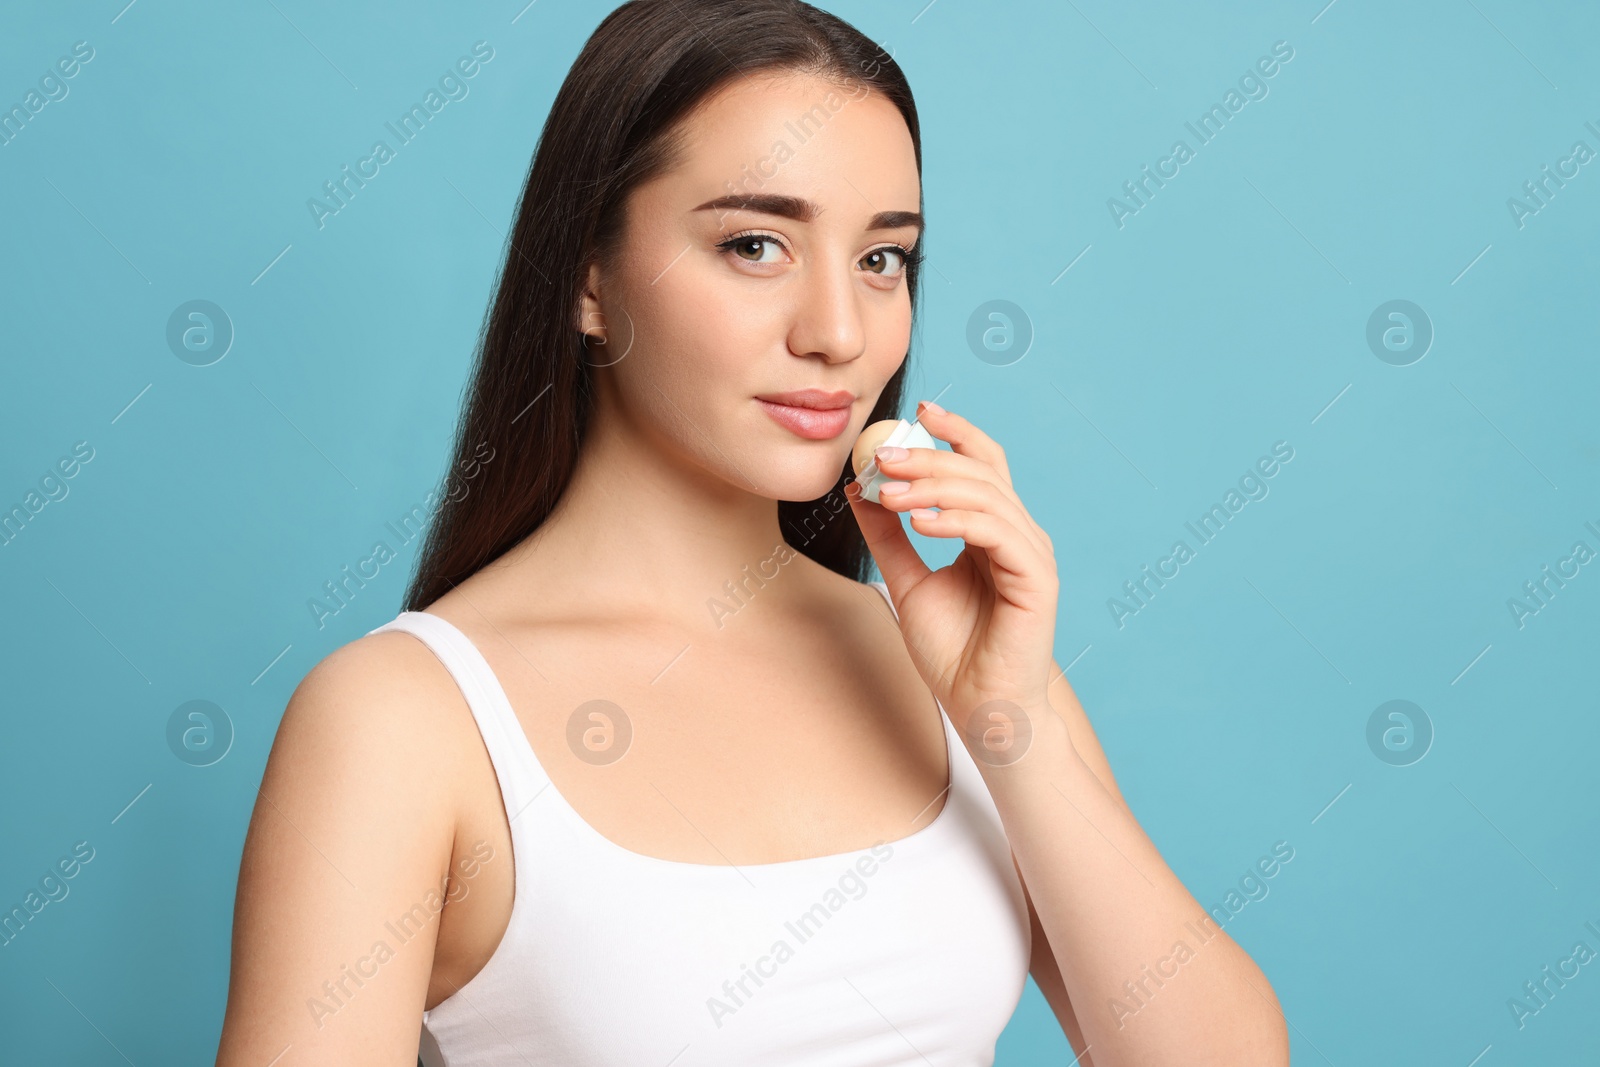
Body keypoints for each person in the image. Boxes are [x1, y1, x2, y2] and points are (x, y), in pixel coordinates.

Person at [216, 1, 1289, 1063]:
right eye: (756, 244)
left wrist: (1008, 718)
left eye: (882, 260)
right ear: (588, 276)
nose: (836, 333)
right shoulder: (402, 721)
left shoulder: (957, 669)